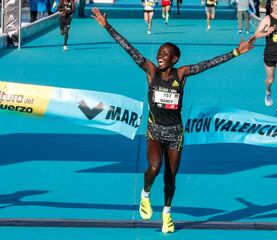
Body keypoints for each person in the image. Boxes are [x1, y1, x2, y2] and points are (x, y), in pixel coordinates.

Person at [91, 7, 256, 234]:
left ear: (175, 58)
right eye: (159, 52)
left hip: (176, 132)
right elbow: (129, 49)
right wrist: (107, 26)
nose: (160, 56)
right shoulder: (151, 71)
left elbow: (209, 63)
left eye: (165, 54)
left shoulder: (181, 74)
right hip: (155, 129)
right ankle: (145, 194)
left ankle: (167, 213)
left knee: (171, 177)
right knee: (154, 166)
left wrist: (236, 53)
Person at [255, 0, 277, 114]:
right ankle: (268, 91)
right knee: (270, 80)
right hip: (270, 53)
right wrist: (267, 32)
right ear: (272, 6)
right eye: (276, 5)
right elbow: (256, 34)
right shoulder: (267, 19)